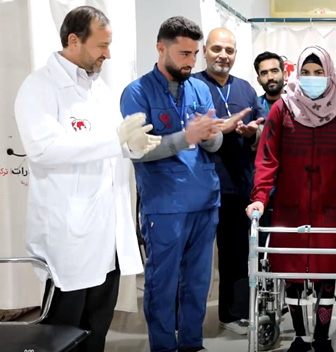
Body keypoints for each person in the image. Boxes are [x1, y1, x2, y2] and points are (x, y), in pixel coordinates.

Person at [13, 6, 159, 352]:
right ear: (74, 40)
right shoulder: (40, 87)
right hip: (69, 238)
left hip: (105, 238)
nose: (107, 54)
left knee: (96, 330)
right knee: (61, 335)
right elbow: (44, 149)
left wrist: (132, 148)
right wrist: (115, 141)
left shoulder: (99, 89)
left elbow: (110, 147)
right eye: (101, 46)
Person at [120, 17, 244, 352]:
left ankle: (192, 344)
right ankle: (163, 346)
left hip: (205, 201)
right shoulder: (136, 93)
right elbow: (138, 152)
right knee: (162, 284)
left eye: (193, 54)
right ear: (161, 48)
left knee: (198, 283)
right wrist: (184, 137)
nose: (191, 61)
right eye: (184, 53)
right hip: (165, 205)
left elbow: (212, 145)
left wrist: (215, 134)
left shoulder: (200, 88)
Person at [246, 45, 336, 352]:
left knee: (327, 274)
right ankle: (301, 338)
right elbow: (267, 159)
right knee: (291, 275)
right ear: (296, 74)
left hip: (330, 209)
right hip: (291, 208)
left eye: (319, 73)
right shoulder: (282, 109)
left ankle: (322, 337)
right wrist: (260, 198)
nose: (312, 79)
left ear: (329, 75)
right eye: (306, 73)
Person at [193, 27, 264, 335]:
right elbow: (186, 132)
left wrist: (253, 133)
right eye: (217, 49)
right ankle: (187, 319)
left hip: (237, 186)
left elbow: (263, 129)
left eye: (230, 50)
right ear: (205, 50)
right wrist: (220, 128)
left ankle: (232, 314)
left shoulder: (246, 89)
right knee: (195, 258)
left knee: (236, 255)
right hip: (199, 186)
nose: (223, 55)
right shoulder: (192, 85)